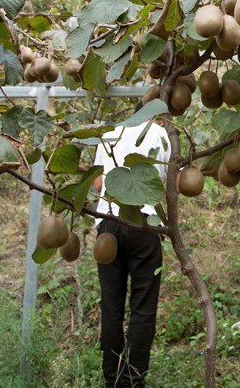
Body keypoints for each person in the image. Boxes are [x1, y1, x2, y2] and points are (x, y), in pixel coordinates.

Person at [92, 119, 170, 388]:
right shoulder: (162, 134)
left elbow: (98, 183)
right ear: (157, 116)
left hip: (109, 223)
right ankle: (133, 381)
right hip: (144, 223)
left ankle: (111, 379)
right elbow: (175, 184)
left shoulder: (110, 132)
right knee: (143, 308)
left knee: (111, 305)